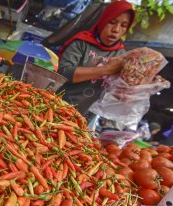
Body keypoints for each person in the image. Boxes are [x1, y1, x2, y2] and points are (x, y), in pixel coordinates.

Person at [56, 0, 135, 129]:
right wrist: (106, 70)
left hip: (84, 120)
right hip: (57, 107)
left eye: (123, 25)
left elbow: (118, 92)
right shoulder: (82, 42)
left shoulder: (122, 56)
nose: (116, 30)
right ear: (103, 20)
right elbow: (64, 73)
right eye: (112, 22)